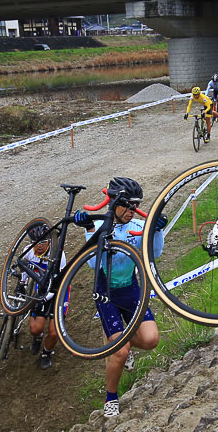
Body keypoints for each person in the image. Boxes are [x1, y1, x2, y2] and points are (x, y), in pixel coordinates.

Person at [70, 177, 165, 417]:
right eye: (128, 206)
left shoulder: (138, 225)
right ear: (114, 203)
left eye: (136, 206)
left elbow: (154, 253)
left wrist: (157, 230)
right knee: (120, 353)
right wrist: (89, 229)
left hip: (131, 289)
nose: (133, 211)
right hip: (106, 294)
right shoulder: (102, 225)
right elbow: (93, 264)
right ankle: (110, 397)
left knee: (152, 340)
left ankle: (120, 341)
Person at [22, 231, 68, 369]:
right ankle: (38, 336)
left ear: (49, 242)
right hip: (42, 288)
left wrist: (44, 297)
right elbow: (24, 271)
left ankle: (46, 353)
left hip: (59, 290)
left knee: (54, 332)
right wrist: (22, 284)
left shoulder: (59, 255)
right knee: (35, 329)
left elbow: (60, 280)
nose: (39, 246)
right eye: (35, 243)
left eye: (43, 242)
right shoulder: (28, 251)